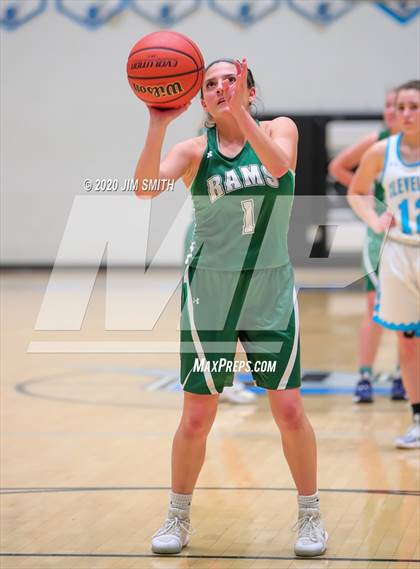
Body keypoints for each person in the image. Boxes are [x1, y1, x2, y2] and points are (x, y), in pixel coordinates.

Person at [134, 58, 328, 556]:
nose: (221, 87)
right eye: (211, 84)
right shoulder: (194, 150)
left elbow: (279, 166)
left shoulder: (278, 129)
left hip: (269, 289)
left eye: (231, 80)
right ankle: (177, 516)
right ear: (200, 100)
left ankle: (310, 515)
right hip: (210, 293)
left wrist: (241, 115)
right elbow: (143, 188)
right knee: (197, 417)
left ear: (251, 90)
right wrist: (157, 124)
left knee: (287, 408)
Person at [348, 80, 420, 449]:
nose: (405, 114)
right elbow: (356, 190)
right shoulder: (381, 150)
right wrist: (374, 217)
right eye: (401, 107)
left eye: (414, 106)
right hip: (399, 252)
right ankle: (417, 418)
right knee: (407, 343)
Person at [329, 89, 406, 403]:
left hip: (411, 238)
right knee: (376, 307)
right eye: (389, 105)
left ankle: (403, 376)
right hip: (380, 236)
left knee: (409, 313)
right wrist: (369, 194)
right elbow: (338, 167)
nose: (391, 110)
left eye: (398, 105)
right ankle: (364, 375)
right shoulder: (378, 143)